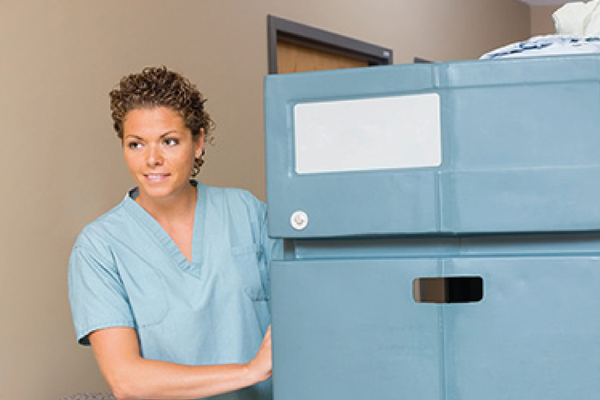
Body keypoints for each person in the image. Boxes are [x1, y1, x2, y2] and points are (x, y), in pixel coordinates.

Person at [68, 66, 282, 400]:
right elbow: (127, 381)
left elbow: (305, 306)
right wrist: (249, 371)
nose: (152, 159)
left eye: (169, 141)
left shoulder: (246, 212)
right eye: (136, 144)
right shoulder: (99, 247)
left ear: (197, 143)